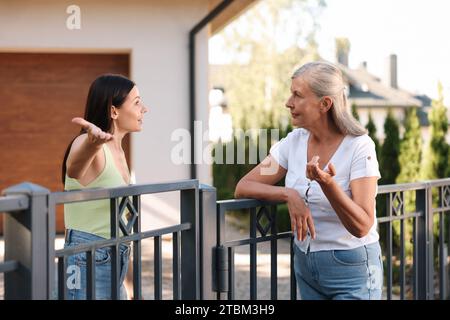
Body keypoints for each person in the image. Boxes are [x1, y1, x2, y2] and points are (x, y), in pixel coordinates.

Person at [234, 61, 383, 300]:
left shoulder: (359, 147)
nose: (288, 102)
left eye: (297, 95)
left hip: (352, 270)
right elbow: (244, 186)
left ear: (325, 104)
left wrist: (328, 184)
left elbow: (362, 225)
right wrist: (288, 195)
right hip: (306, 267)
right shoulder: (291, 144)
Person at [61, 74, 148, 300]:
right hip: (87, 256)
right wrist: (92, 145)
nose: (144, 109)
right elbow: (74, 170)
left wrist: (130, 287)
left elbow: (121, 222)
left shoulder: (118, 152)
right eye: (137, 102)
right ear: (114, 111)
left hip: (115, 254)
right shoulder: (87, 143)